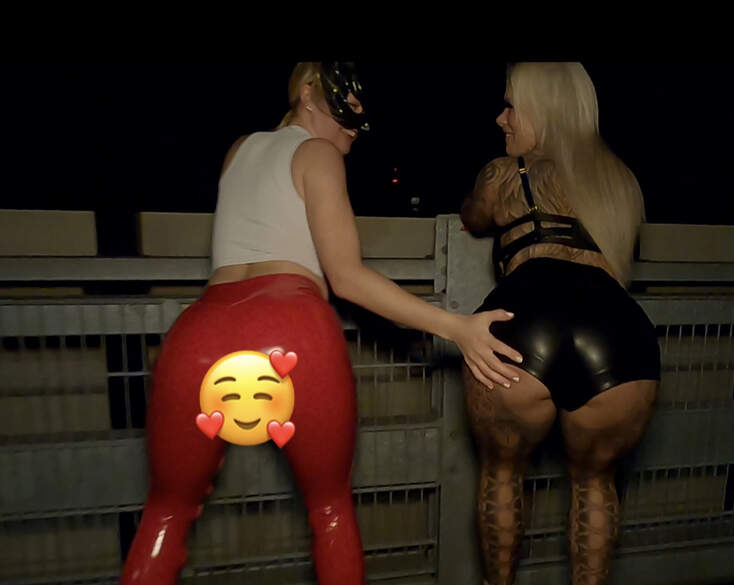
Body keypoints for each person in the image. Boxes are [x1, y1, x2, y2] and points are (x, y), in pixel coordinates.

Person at [120, 62, 522, 585]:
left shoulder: (239, 149)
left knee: (166, 512)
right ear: (309, 93)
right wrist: (457, 327)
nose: (354, 127)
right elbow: (346, 277)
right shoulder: (318, 154)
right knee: (329, 508)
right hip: (292, 328)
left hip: (200, 334)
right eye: (346, 112)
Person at [460, 62, 661, 585]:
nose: (501, 119)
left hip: (526, 319)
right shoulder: (620, 179)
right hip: (617, 333)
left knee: (502, 473)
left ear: (544, 110)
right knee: (596, 483)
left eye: (511, 106)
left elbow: (473, 217)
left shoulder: (504, 173)